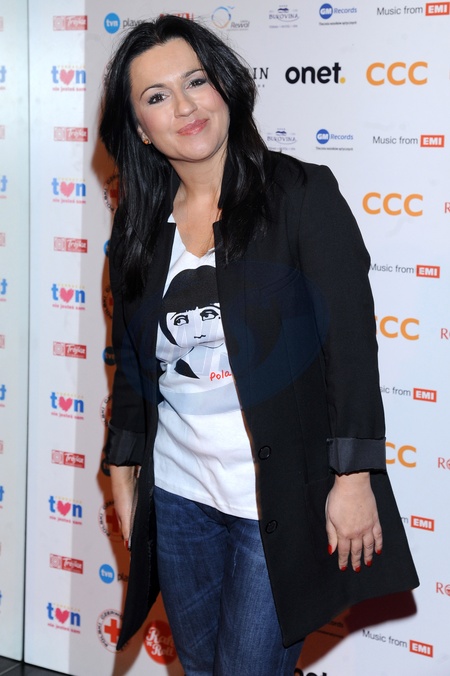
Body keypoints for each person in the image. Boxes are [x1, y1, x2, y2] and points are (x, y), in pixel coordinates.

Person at [100, 15, 418, 676]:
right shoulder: (139, 223)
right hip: (180, 496)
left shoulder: (299, 195)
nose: (185, 106)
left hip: (275, 502)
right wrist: (124, 471)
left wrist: (354, 477)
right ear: (140, 127)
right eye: (157, 96)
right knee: (200, 667)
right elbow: (131, 360)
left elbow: (350, 347)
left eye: (196, 81)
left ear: (226, 85)